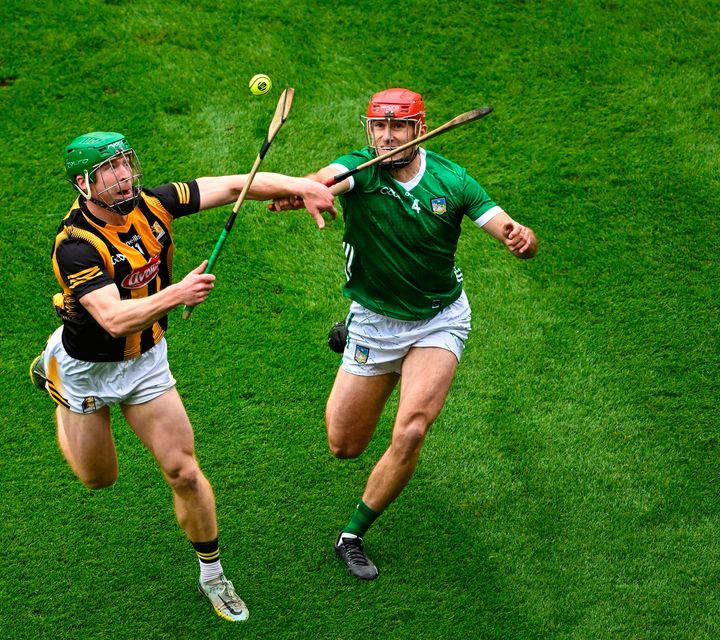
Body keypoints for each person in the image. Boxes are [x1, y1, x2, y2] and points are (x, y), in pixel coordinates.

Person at [30, 131, 336, 620]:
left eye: (127, 163)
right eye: (111, 170)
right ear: (84, 183)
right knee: (98, 479)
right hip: (86, 370)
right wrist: (180, 293)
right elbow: (113, 318)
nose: (125, 175)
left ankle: (213, 576)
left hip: (146, 361)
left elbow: (237, 183)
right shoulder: (75, 247)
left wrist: (303, 185)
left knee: (183, 472)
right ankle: (56, 382)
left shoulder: (154, 204)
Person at [272, 88, 538, 580]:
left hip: (439, 317)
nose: (387, 137)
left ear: (419, 128)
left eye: (398, 127)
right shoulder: (360, 170)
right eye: (379, 127)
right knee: (344, 444)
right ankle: (351, 332)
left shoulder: (451, 180)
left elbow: (507, 228)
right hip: (376, 320)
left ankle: (351, 535)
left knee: (412, 428)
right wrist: (302, 189)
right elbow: (323, 180)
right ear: (368, 128)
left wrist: (520, 239)